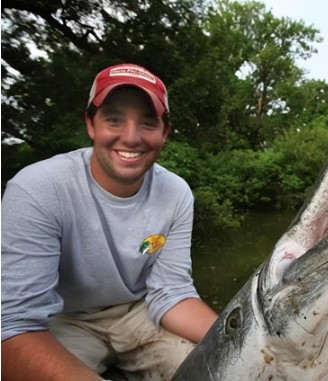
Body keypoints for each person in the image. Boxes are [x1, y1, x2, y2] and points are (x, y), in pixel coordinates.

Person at [1, 63, 219, 381]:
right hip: (64, 317)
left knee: (216, 369)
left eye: (147, 122)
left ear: (165, 132)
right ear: (91, 124)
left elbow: (170, 292)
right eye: (114, 119)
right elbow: (14, 324)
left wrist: (237, 339)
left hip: (138, 311)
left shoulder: (176, 193)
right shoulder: (37, 188)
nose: (130, 138)